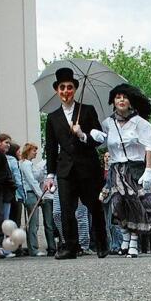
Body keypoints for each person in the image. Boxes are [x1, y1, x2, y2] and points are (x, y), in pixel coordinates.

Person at [90, 83, 151, 258]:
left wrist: (149, 170)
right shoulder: (108, 123)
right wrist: (92, 135)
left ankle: (133, 242)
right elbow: (100, 142)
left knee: (135, 205)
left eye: (124, 97)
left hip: (134, 168)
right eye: (117, 97)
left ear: (131, 101)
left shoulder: (140, 123)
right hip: (116, 170)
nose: (121, 100)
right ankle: (124, 239)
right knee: (118, 205)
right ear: (113, 101)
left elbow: (150, 146)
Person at [43, 67, 108, 259]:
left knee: (94, 207)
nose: (65, 91)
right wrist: (50, 174)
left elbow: (99, 139)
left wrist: (82, 135)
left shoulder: (87, 110)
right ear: (57, 90)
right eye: (62, 87)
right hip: (65, 170)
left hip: (88, 167)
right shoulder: (52, 117)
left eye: (69, 87)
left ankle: (102, 244)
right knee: (66, 209)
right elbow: (51, 148)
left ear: (75, 89)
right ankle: (70, 247)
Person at [19, 142, 44, 256]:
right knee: (33, 223)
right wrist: (40, 194)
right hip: (31, 194)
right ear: (28, 151)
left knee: (33, 222)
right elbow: (32, 181)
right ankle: (33, 248)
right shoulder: (26, 164)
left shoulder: (28, 164)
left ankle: (32, 247)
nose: (35, 153)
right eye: (34, 150)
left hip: (32, 193)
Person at [32, 157, 56, 256]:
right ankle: (52, 247)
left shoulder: (62, 161)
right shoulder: (42, 164)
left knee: (60, 222)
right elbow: (36, 177)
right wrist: (43, 171)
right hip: (47, 197)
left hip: (58, 196)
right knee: (48, 223)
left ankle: (63, 244)